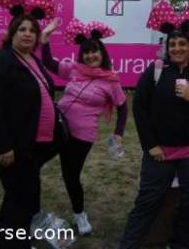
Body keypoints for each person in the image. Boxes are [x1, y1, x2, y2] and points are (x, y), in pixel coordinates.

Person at [119, 0, 189, 249]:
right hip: (160, 151)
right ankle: (129, 245)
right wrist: (150, 145)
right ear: (166, 47)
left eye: (182, 44)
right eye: (172, 44)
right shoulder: (155, 71)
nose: (177, 48)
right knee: (148, 201)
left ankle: (180, 244)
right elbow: (139, 109)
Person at [0, 13, 63, 249]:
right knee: (18, 198)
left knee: (29, 194)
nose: (28, 34)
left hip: (31, 145)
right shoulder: (0, 62)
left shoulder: (31, 59)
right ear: (11, 34)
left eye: (32, 31)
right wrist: (3, 146)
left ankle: (22, 242)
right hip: (10, 146)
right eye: (22, 29)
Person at [40, 17, 128, 235]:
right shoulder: (74, 69)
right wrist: (45, 38)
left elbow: (123, 108)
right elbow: (49, 63)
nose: (90, 55)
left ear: (102, 53)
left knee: (70, 175)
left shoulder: (111, 81)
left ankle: (80, 216)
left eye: (95, 51)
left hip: (81, 137)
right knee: (31, 164)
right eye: (86, 52)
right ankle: (31, 212)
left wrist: (118, 134)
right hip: (57, 129)